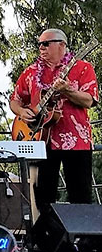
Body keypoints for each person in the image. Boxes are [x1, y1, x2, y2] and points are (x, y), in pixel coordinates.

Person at [10, 29, 97, 212]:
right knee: (43, 197)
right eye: (39, 44)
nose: (41, 48)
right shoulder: (31, 72)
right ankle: (47, 239)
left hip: (76, 141)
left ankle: (82, 239)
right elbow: (15, 100)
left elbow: (89, 100)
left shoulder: (82, 68)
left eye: (46, 43)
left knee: (80, 196)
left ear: (62, 45)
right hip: (42, 141)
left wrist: (68, 90)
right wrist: (22, 111)